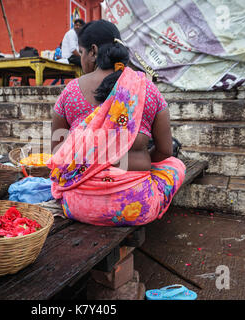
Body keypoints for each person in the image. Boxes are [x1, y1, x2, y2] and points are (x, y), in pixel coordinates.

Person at [47, 19, 186, 227]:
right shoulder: (146, 88)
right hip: (135, 206)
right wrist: (136, 157)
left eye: (81, 52)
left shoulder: (71, 91)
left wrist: (92, 166)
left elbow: (57, 153)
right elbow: (166, 150)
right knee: (175, 164)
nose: (82, 58)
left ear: (93, 51)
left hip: (78, 206)